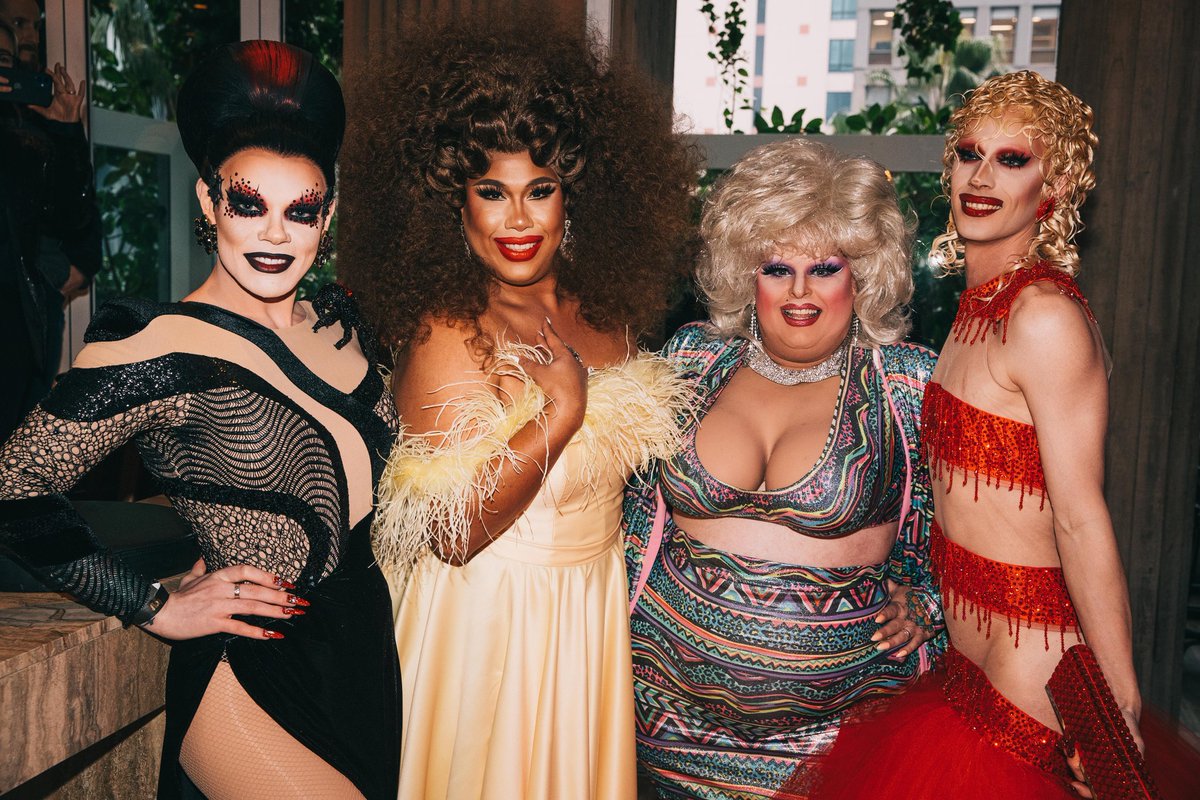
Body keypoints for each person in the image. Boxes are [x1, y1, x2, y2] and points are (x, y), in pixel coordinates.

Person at [0, 41, 400, 799]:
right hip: (250, 668)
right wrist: (149, 604)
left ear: (329, 214)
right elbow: (14, 485)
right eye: (249, 204)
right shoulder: (159, 344)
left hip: (363, 656)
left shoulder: (342, 327)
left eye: (300, 210)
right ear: (209, 203)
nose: (275, 234)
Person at [344, 12, 697, 799]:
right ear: (454, 202)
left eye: (540, 190)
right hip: (484, 631)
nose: (516, 220)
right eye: (490, 192)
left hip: (585, 617)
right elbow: (452, 533)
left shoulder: (603, 314)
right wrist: (557, 416)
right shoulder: (449, 331)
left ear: (574, 197)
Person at [811, 70, 1158, 799]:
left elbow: (1081, 517)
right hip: (965, 669)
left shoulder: (1043, 318)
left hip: (1031, 683)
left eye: (1013, 159)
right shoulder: (975, 312)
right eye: (970, 153)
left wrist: (1119, 704)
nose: (981, 176)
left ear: (1054, 187)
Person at [622, 137, 946, 798]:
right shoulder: (694, 359)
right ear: (746, 274)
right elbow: (627, 507)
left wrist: (928, 602)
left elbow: (973, 529)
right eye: (777, 268)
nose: (799, 291)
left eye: (823, 268)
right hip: (664, 726)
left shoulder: (906, 381)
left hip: (835, 746)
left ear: (862, 274)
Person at [0, 4, 101, 440]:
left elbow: (72, 216)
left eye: (6, 59)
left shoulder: (26, 123)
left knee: (19, 447)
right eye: (18, 23)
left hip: (25, 316)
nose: (31, 37)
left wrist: (67, 132)